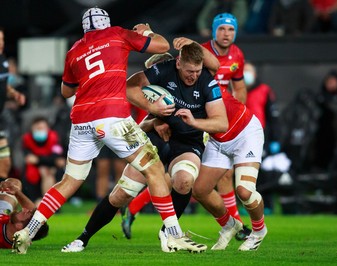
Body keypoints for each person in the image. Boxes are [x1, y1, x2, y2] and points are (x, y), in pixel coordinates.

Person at [12, 7, 206, 254]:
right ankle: (173, 236)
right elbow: (161, 45)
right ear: (107, 23)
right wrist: (146, 31)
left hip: (82, 120)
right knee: (154, 168)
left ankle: (27, 233)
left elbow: (66, 91)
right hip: (112, 118)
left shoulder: (74, 50)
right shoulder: (117, 34)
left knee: (69, 180)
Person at [62, 40, 227, 253]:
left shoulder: (207, 81)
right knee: (121, 195)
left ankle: (168, 233)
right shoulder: (163, 71)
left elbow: (221, 123)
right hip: (155, 140)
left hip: (188, 141)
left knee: (184, 180)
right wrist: (152, 114)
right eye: (189, 71)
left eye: (197, 71)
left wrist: (194, 122)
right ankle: (83, 238)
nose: (193, 76)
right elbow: (129, 87)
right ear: (178, 63)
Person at [201, 12, 251, 240]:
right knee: (176, 175)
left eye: (231, 30)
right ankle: (133, 210)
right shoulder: (200, 52)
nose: (226, 34)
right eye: (221, 29)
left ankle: (236, 225)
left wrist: (233, 112)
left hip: (220, 122)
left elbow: (239, 87)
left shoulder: (237, 55)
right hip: (199, 119)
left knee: (224, 174)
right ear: (213, 31)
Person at [243, 62, 281, 213]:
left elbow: (273, 117)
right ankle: (246, 205)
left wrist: (275, 140)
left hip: (261, 137)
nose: (246, 74)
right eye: (244, 71)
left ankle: (268, 205)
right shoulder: (236, 90)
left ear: (255, 74)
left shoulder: (264, 90)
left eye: (249, 71)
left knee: (263, 172)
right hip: (240, 135)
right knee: (242, 172)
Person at [0, 27, 26, 181]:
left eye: (2, 39)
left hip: (1, 118)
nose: (1, 43)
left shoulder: (3, 59)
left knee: (5, 164)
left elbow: (4, 84)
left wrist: (14, 93)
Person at [21, 116, 65, 205]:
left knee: (48, 172)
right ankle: (42, 201)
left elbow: (57, 159)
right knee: (40, 172)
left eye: (42, 128)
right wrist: (48, 161)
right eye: (37, 128)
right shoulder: (27, 140)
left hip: (51, 170)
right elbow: (29, 159)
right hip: (34, 173)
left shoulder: (54, 138)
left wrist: (39, 160)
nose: (40, 130)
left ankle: (48, 203)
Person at [0, 178, 48, 249]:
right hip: (4, 215)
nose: (25, 209)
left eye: (26, 213)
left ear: (19, 226)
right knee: (15, 183)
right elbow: (33, 209)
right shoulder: (15, 233)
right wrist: (17, 192)